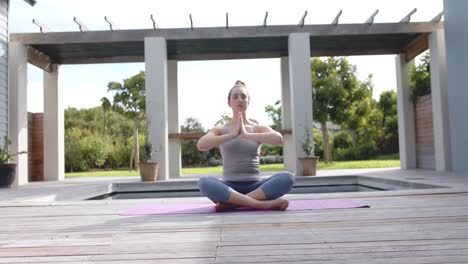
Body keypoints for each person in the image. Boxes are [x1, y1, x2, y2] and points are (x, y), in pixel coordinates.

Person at [197, 80, 295, 211]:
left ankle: (234, 203)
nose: (240, 99)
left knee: (287, 178)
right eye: (235, 96)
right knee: (204, 182)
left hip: (257, 187)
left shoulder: (258, 128)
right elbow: (201, 145)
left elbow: (278, 139)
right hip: (228, 188)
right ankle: (260, 204)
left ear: (248, 101)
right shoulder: (220, 129)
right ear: (229, 102)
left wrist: (247, 134)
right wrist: (232, 134)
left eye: (244, 96)